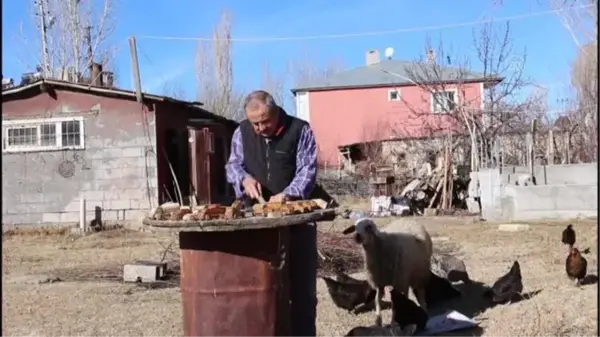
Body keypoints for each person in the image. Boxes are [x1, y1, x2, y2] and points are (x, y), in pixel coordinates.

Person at [225, 90, 318, 337]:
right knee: (257, 291)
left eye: (265, 121)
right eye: (255, 123)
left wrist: (288, 194)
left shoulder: (300, 130)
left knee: (301, 293)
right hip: (255, 224)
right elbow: (233, 165)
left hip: (297, 224)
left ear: (277, 113)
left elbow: (307, 170)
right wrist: (243, 179)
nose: (260, 128)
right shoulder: (241, 131)